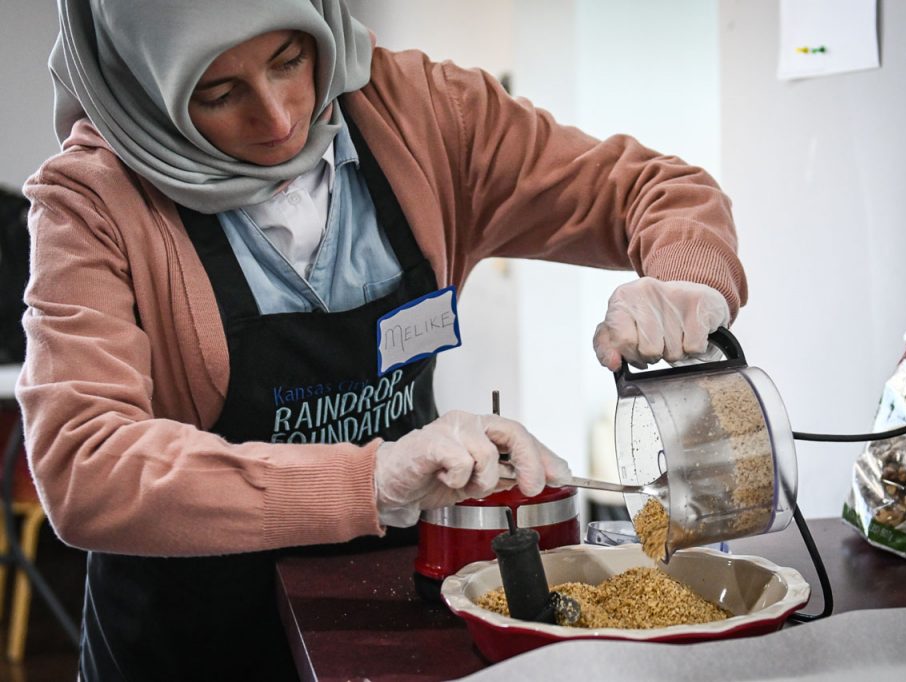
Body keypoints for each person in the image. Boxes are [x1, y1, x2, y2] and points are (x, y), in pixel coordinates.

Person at [18, 1, 747, 680]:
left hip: (386, 614)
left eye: (288, 61)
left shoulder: (422, 113)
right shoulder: (92, 202)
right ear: (144, 88)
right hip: (189, 639)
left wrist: (684, 280)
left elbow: (656, 189)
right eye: (217, 93)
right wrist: (371, 479)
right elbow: (86, 466)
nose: (279, 120)